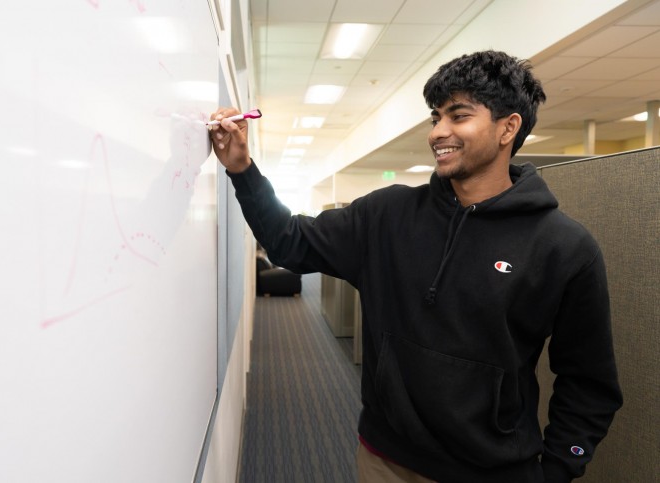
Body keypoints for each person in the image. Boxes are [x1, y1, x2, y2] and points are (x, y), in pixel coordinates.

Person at [208, 50, 622, 483]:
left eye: (458, 116)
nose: (438, 132)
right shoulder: (386, 214)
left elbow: (588, 382)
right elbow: (288, 243)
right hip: (385, 460)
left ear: (508, 127)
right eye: (435, 117)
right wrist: (242, 170)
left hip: (493, 471)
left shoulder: (564, 247)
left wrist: (558, 469)